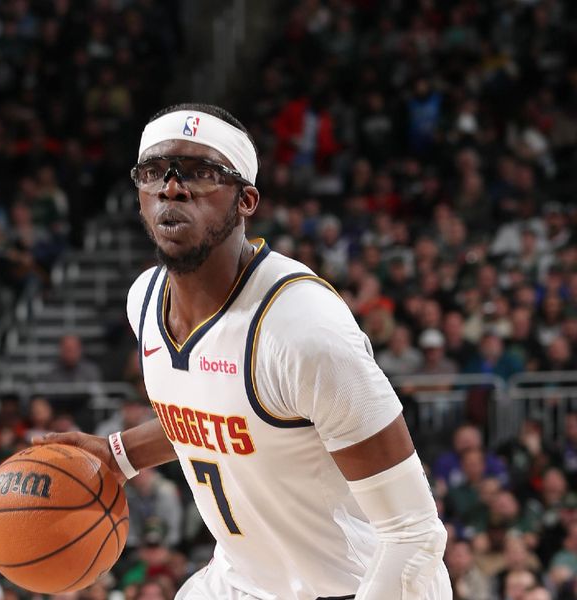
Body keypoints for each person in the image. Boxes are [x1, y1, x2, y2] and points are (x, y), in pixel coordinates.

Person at [34, 103, 451, 599]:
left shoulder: (303, 331)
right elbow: (222, 411)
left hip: (356, 585)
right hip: (239, 583)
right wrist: (119, 455)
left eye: (200, 173)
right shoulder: (143, 300)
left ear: (246, 200)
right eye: (154, 173)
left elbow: (413, 535)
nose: (172, 186)